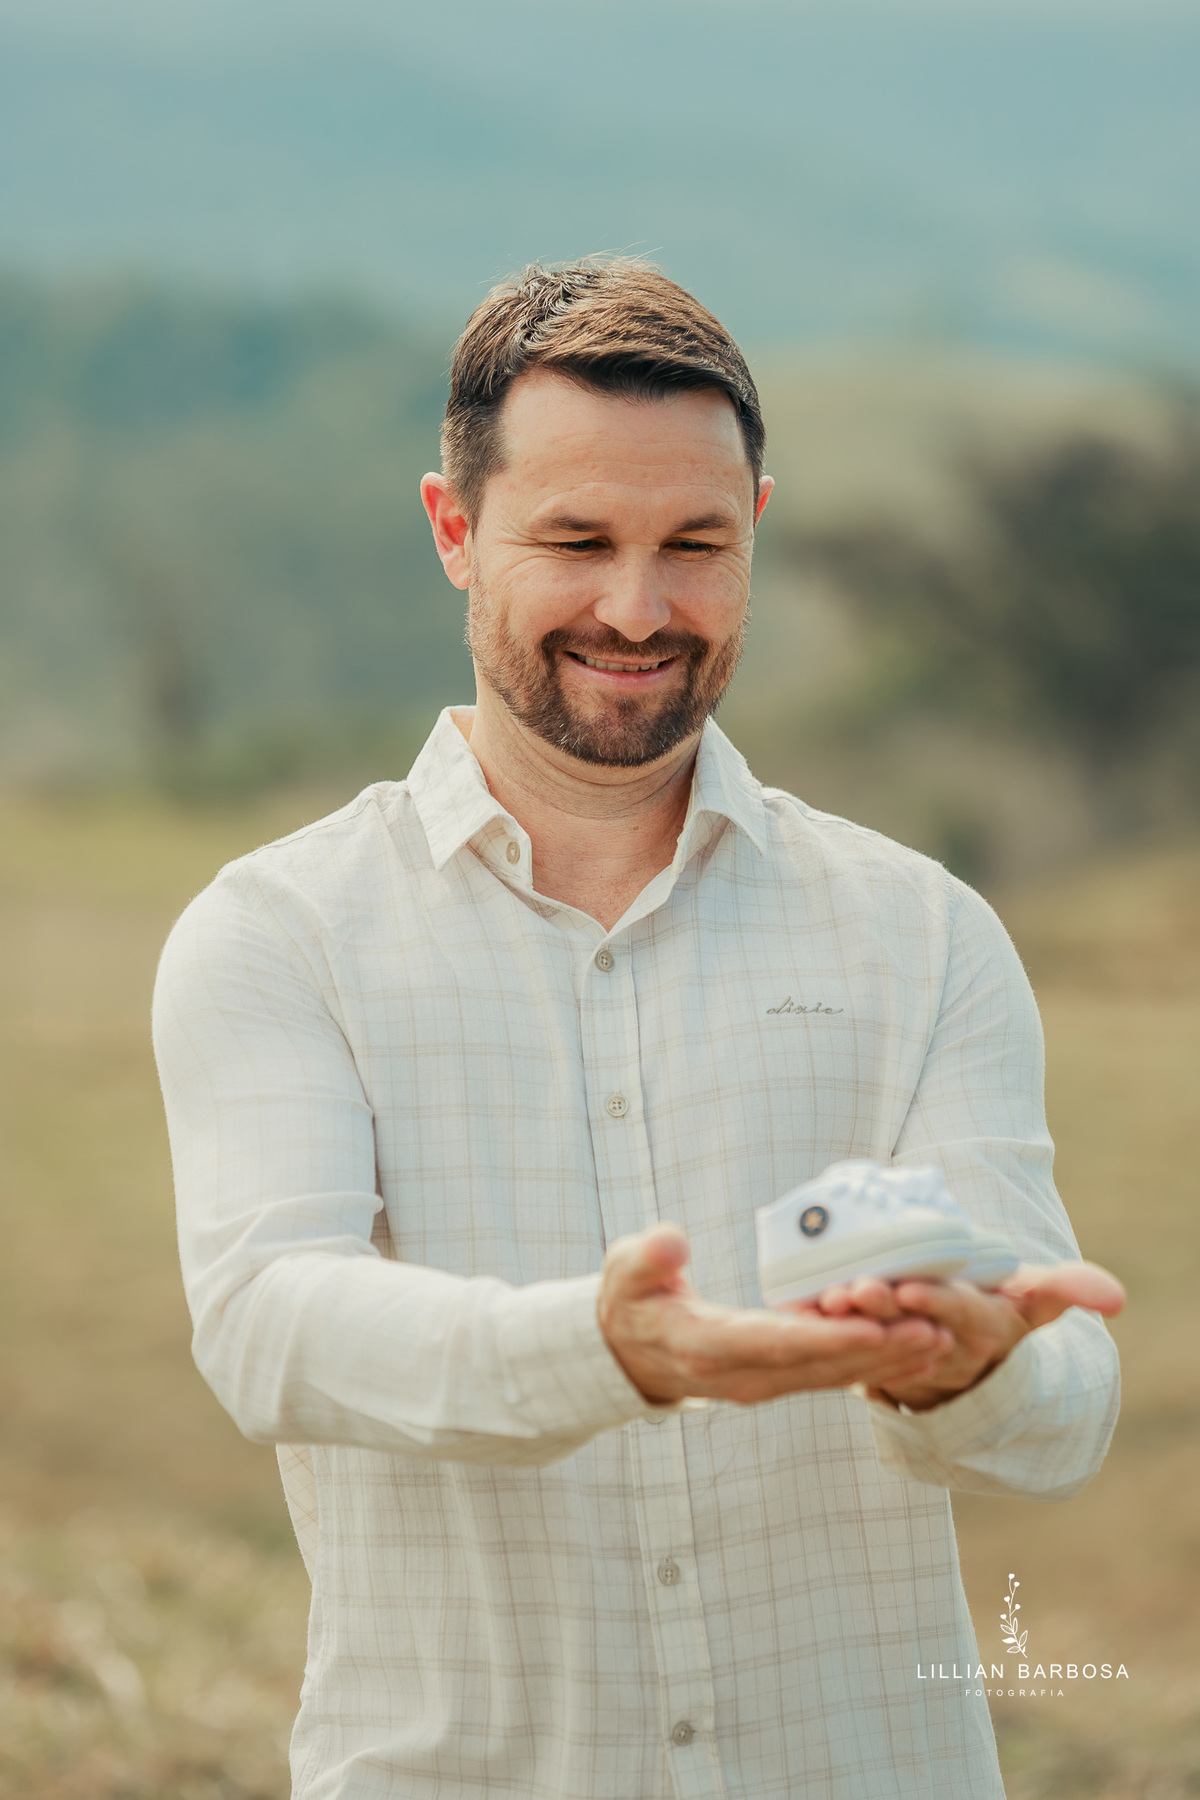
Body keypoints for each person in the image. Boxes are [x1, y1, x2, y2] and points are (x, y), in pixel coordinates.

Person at [152, 258, 1124, 1800]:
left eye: (695, 545)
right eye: (577, 541)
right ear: (454, 531)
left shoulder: (923, 932)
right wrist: (601, 1352)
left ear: (756, 534)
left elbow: (1058, 1416)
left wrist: (971, 1373)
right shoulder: (282, 933)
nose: (638, 607)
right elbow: (272, 1329)